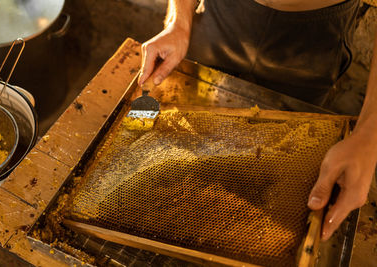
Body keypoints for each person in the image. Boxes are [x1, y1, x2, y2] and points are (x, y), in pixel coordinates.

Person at [138, 0, 377, 242]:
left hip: (314, 37)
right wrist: (178, 21)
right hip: (220, 16)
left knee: (283, 163)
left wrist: (369, 134)